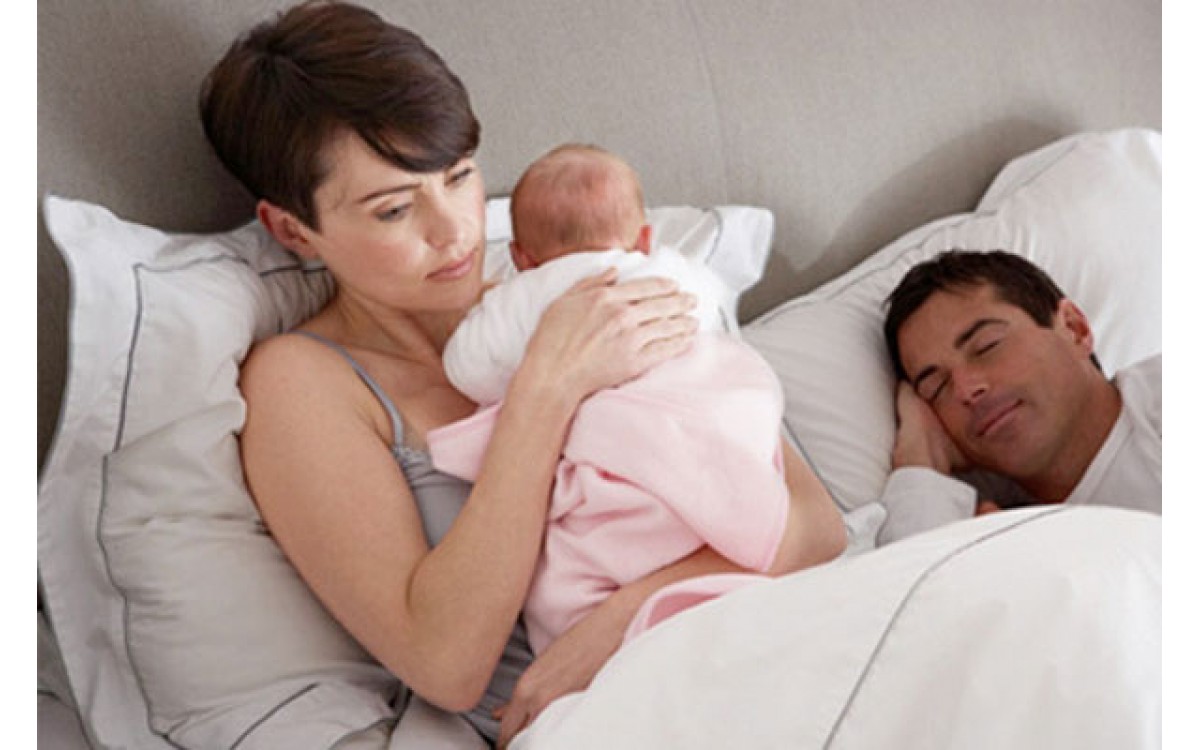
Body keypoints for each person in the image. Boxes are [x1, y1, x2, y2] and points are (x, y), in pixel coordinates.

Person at [198, 2, 847, 746]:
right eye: (394, 210)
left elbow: (815, 525)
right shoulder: (303, 384)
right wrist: (547, 388)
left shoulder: (574, 291)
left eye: (459, 176)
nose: (456, 230)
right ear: (293, 230)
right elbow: (445, 663)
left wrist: (617, 621)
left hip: (753, 643)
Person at [429, 143, 844, 656]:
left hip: (621, 454)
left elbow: (468, 368)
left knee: (588, 549)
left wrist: (485, 312)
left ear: (520, 258)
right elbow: (711, 318)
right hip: (703, 442)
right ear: (645, 238)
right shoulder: (677, 274)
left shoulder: (521, 298)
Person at [873, 249, 1161, 545]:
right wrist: (921, 462)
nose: (965, 390)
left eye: (987, 346)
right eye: (936, 388)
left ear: (1074, 329)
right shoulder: (995, 532)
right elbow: (915, 569)